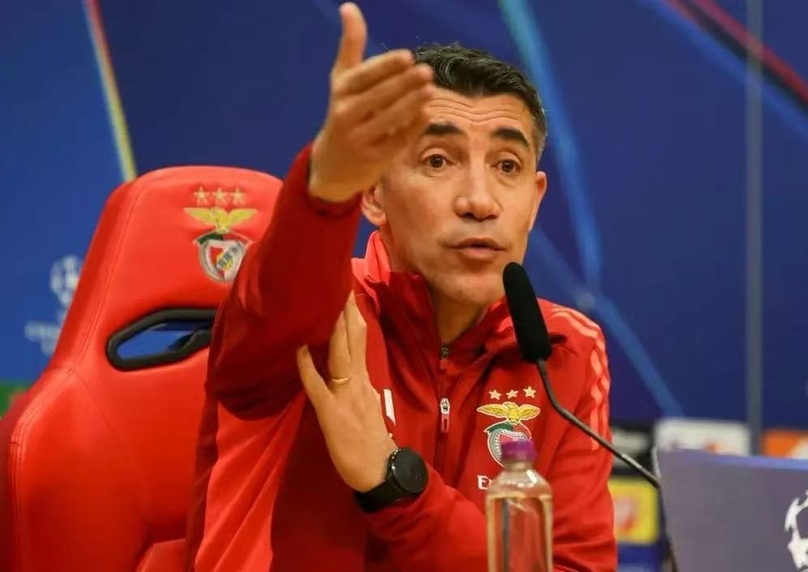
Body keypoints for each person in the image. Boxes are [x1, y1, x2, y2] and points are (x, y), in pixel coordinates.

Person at [185, 3, 616, 571]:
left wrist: (393, 482)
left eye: (507, 166)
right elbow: (282, 291)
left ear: (535, 202)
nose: (480, 201)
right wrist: (327, 183)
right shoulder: (315, 317)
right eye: (438, 161)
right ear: (372, 193)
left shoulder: (564, 351)